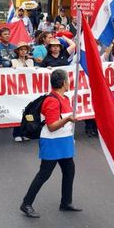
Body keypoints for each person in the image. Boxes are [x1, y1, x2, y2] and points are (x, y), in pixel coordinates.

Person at [20, 69, 80, 218]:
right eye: (67, 80)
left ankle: (66, 202)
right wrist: (67, 119)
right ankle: (26, 203)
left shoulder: (65, 98)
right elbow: (52, 127)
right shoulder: (52, 101)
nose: (69, 83)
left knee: (69, 170)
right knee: (44, 174)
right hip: (53, 143)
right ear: (63, 83)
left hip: (63, 142)